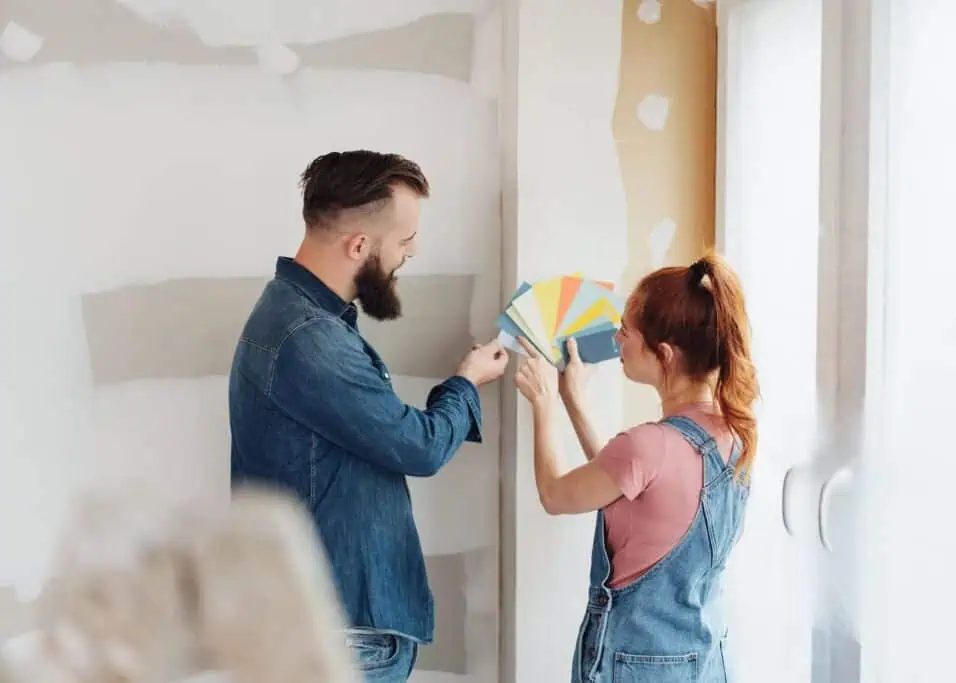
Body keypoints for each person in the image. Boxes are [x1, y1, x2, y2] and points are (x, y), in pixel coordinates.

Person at [229, 150, 509, 682]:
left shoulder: (290, 315)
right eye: (404, 240)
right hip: (341, 633)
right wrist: (467, 383)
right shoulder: (309, 338)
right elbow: (417, 446)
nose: (413, 251)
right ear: (358, 245)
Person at [513, 251, 759, 683]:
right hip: (706, 664)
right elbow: (626, 487)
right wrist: (575, 402)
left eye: (625, 332)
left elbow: (555, 494)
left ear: (662, 353)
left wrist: (543, 404)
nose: (616, 341)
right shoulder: (735, 435)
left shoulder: (648, 446)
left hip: (635, 668)